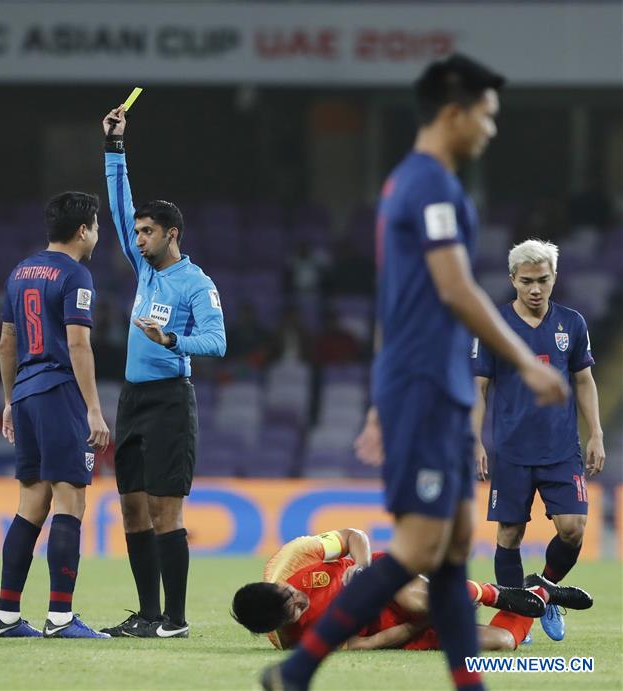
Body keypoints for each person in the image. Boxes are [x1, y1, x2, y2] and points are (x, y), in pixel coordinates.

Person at [261, 54, 569, 691]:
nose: (490, 129)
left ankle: (465, 682)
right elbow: (455, 289)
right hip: (426, 389)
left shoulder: (424, 185)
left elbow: (396, 300)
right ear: (453, 112)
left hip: (436, 388)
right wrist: (524, 364)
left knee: (454, 546)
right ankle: (297, 670)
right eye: (486, 116)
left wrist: (381, 398)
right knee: (419, 548)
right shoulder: (427, 185)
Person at [100, 105, 227, 638]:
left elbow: (218, 342)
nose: (138, 238)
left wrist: (171, 338)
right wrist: (114, 148)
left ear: (170, 234)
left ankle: (174, 620)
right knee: (132, 510)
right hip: (132, 399)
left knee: (165, 511)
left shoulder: (196, 283)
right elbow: (118, 204)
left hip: (172, 399)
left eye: (147, 232)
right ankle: (147, 614)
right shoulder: (144, 266)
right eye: (137, 232)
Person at [0, 191, 111, 639]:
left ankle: (6, 617)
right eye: (96, 226)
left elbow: (6, 342)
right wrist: (94, 410)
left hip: (23, 392)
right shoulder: (77, 274)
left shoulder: (20, 271)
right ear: (83, 230)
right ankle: (60, 618)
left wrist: (8, 400)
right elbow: (78, 344)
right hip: (60, 392)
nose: (98, 234)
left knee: (31, 503)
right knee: (71, 500)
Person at [472, 238, 604, 642]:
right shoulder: (493, 326)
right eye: (526, 280)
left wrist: (596, 431)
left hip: (561, 449)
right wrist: (475, 441)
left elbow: (584, 380)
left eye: (542, 280)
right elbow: (478, 386)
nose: (535, 289)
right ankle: (518, 619)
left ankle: (543, 590)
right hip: (511, 451)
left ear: (554, 278)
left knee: (573, 528)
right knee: (509, 534)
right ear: (512, 278)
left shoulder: (572, 324)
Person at [232, 530, 592, 653]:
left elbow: (354, 536)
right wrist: (422, 626)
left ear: (274, 583)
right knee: (502, 642)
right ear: (277, 626)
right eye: (294, 609)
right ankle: (539, 591)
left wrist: (360, 567)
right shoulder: (298, 642)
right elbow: (371, 644)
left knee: (417, 600)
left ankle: (492, 592)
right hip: (395, 628)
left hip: (388, 582)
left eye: (289, 593)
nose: (299, 598)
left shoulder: (289, 561)